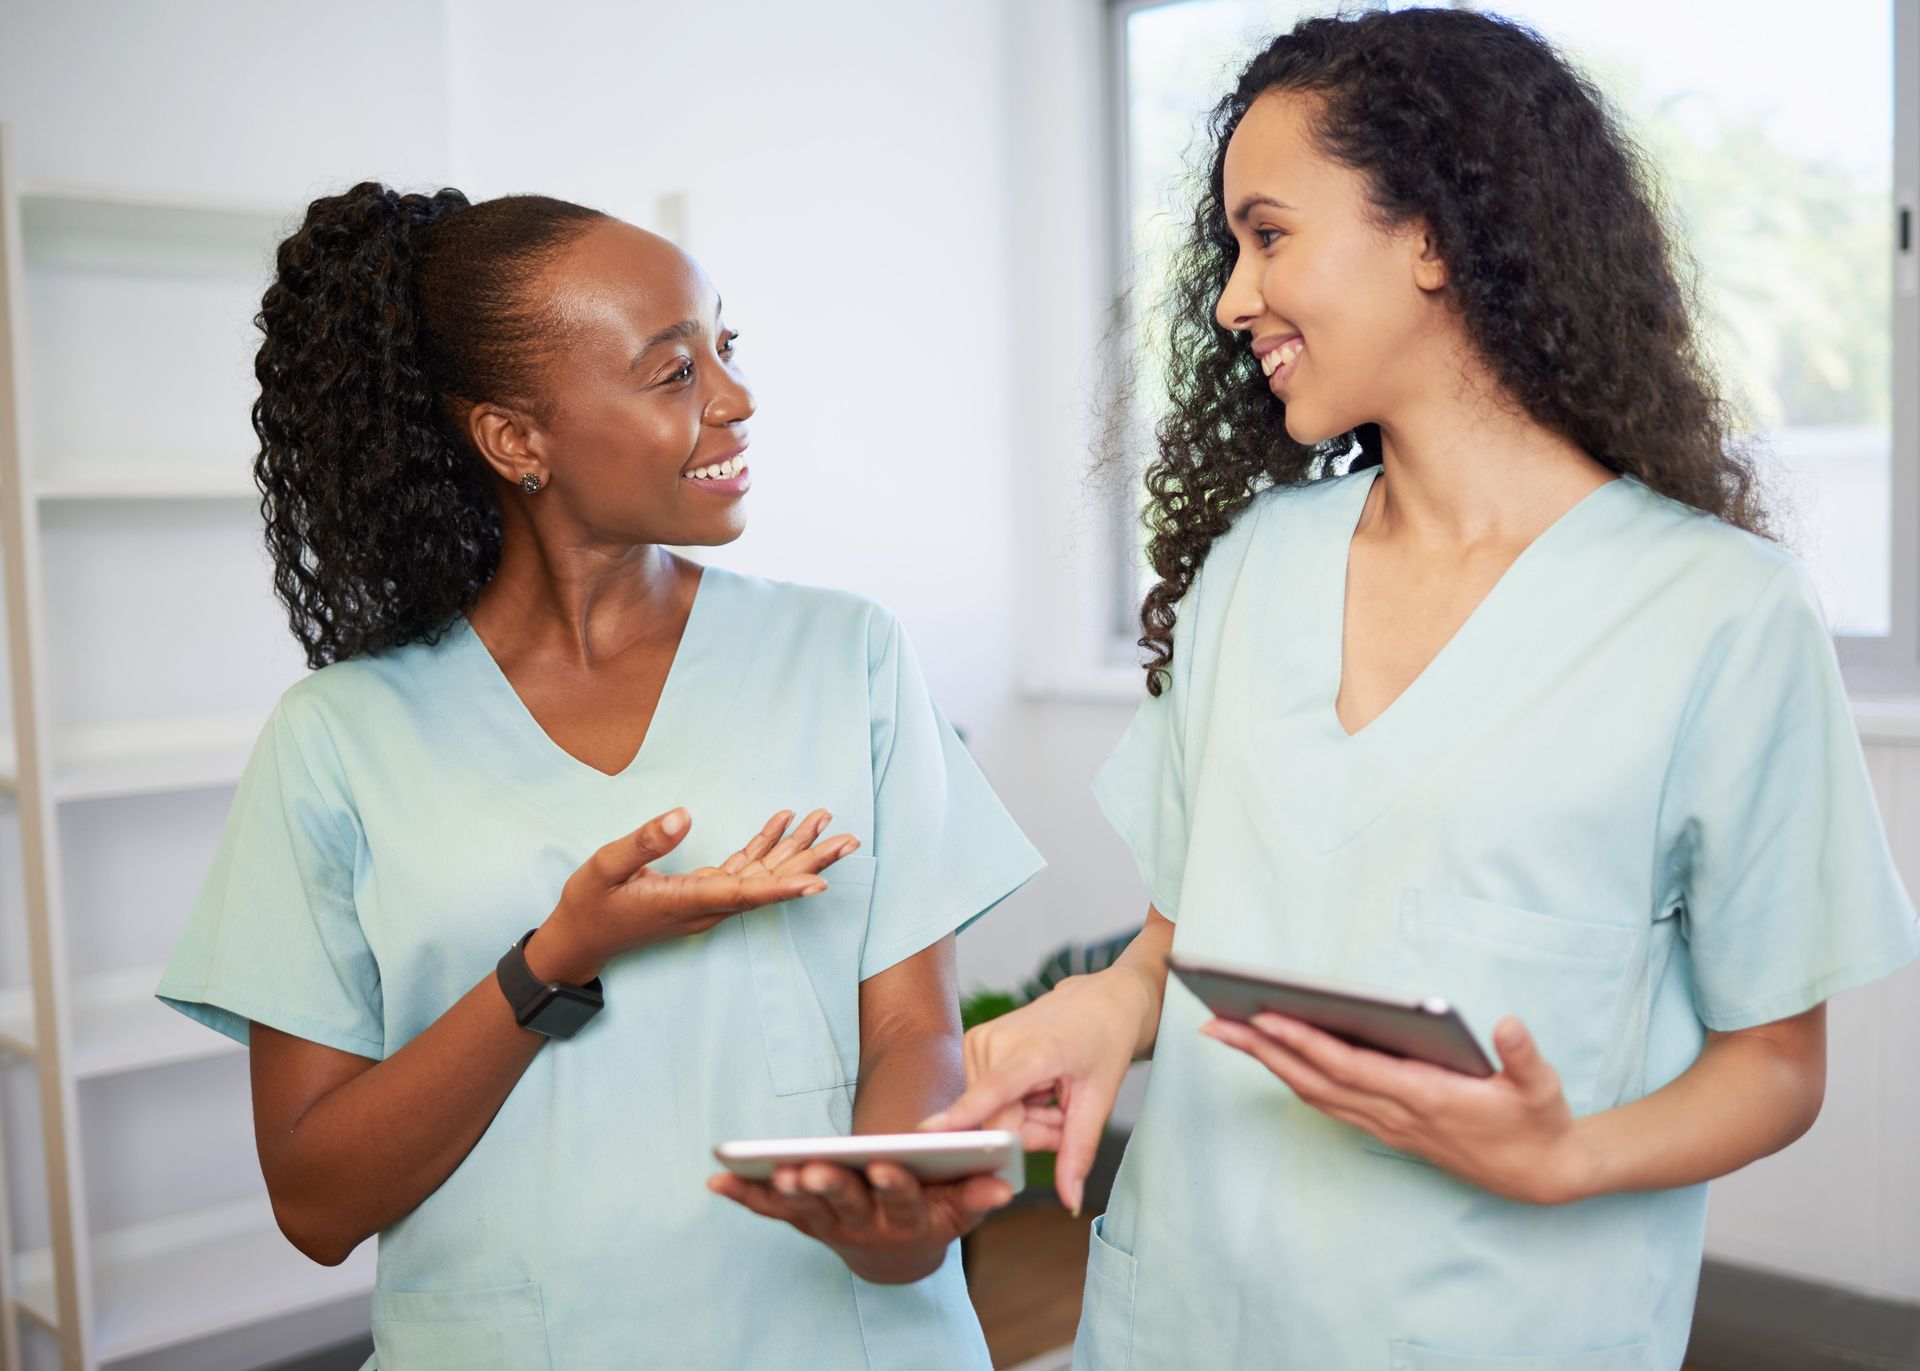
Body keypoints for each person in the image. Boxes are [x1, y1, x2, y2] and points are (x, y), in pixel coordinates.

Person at [924, 10, 1920, 1368]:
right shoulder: (1252, 570)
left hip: (1497, 1324)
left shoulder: (1717, 615)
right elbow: (1184, 939)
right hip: (1185, 1317)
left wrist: (1565, 1154)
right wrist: (1107, 1002)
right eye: (1230, 251)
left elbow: (1778, 1064)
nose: (1230, 298)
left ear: (1435, 234)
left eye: (1268, 235)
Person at [157, 182, 1040, 1369]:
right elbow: (316, 1203)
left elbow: (912, 1031)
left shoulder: (847, 653)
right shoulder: (338, 738)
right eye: (675, 373)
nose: (736, 399)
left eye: (726, 349)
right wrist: (552, 961)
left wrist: (895, 1214)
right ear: (518, 439)